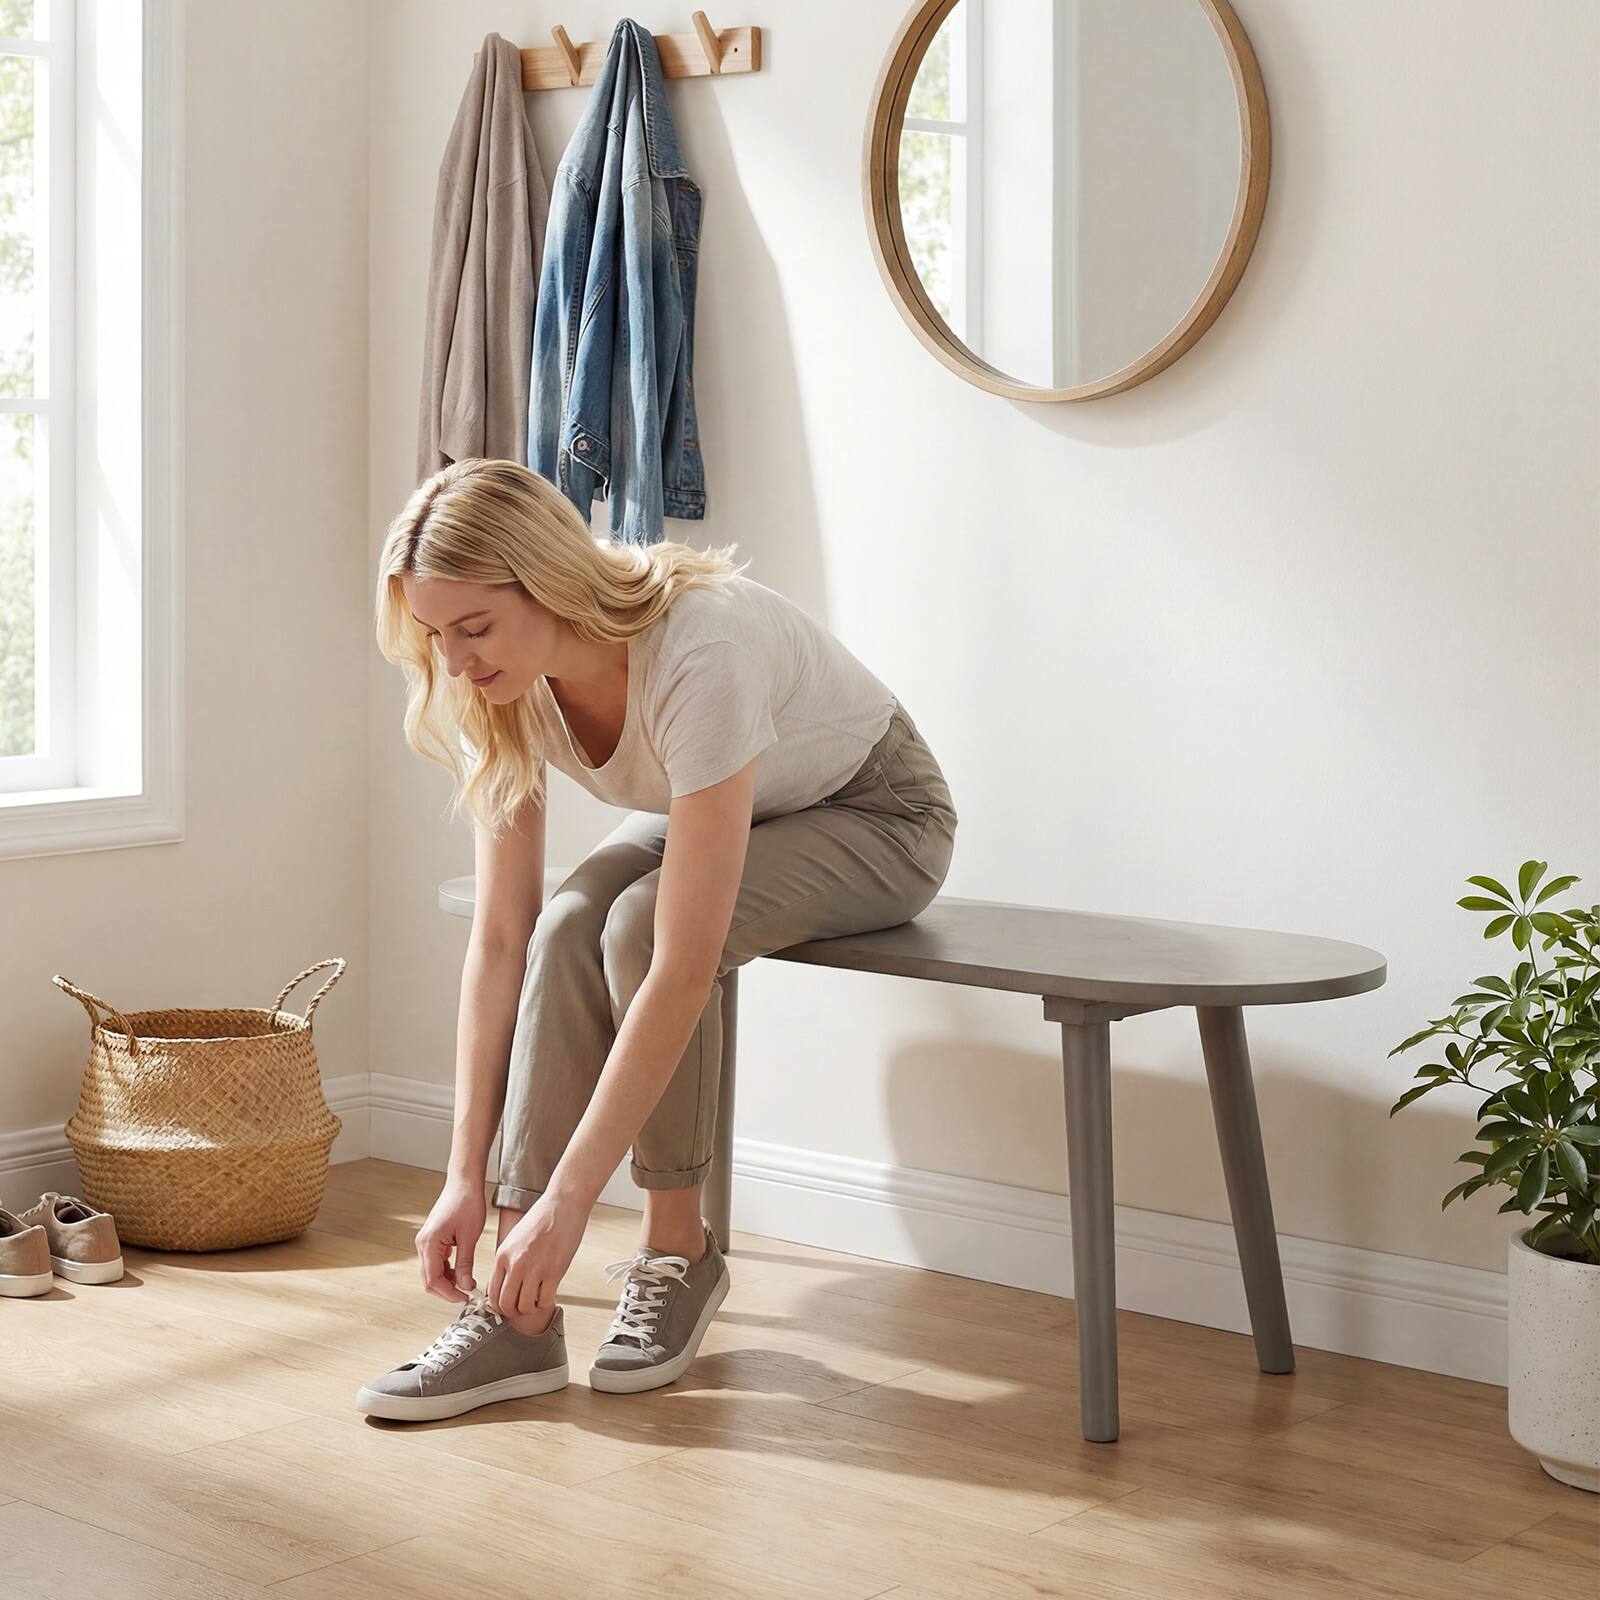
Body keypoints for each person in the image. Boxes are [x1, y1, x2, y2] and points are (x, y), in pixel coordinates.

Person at [356, 458, 958, 1421]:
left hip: (881, 815)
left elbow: (679, 965)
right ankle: (516, 1312)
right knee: (568, 924)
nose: (456, 660)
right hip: (739, 806)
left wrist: (574, 1203)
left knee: (638, 927)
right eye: (435, 634)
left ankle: (678, 1250)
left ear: (548, 582)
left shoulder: (699, 651)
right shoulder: (493, 682)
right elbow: (505, 935)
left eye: (474, 627)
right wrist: (465, 1176)